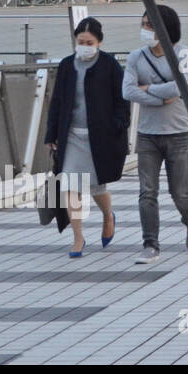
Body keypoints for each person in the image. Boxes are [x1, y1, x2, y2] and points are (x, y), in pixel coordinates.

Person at [43, 17, 130, 257]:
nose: (84, 45)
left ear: (99, 42)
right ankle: (78, 238)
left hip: (99, 137)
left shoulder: (110, 65)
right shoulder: (67, 65)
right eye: (80, 41)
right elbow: (57, 102)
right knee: (70, 184)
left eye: (89, 42)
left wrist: (119, 125)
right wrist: (51, 134)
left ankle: (107, 216)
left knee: (96, 186)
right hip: (70, 136)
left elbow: (121, 100)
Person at [123, 6, 188, 264]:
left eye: (151, 25)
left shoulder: (185, 54)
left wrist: (148, 89)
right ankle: (150, 244)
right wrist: (158, 99)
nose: (146, 29)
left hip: (180, 132)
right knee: (147, 191)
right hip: (147, 133)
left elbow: (181, 86)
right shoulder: (136, 57)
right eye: (144, 23)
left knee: (179, 191)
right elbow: (128, 91)